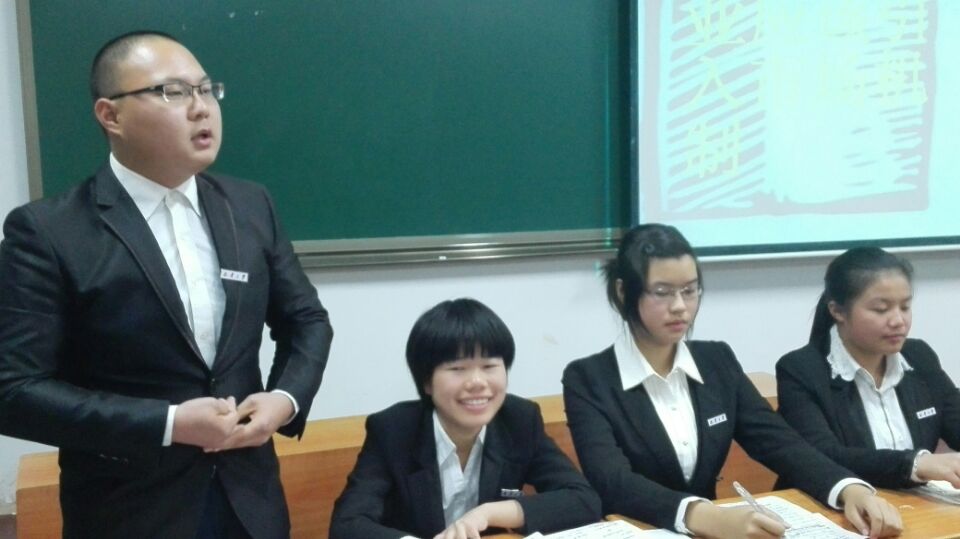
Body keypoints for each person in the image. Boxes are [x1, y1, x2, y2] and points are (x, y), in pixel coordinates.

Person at [0, 31, 333, 538]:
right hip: (130, 510)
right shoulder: (49, 231)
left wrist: (284, 398)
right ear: (110, 115)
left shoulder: (250, 205)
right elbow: (15, 391)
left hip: (250, 501)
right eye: (172, 92)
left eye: (206, 89)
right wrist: (170, 422)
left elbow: (306, 320)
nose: (201, 108)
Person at [562, 224, 902, 539]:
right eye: (662, 292)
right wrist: (702, 515)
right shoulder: (588, 379)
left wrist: (848, 488)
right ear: (624, 291)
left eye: (690, 290)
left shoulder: (717, 361)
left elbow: (779, 442)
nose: (680, 306)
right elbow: (613, 481)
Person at [330, 298, 601, 539]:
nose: (477, 382)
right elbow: (347, 524)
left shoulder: (519, 420)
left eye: (489, 366)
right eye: (458, 368)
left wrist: (488, 513)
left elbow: (583, 499)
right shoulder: (393, 430)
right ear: (426, 381)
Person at [776, 247, 960, 490]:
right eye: (881, 309)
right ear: (837, 311)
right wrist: (915, 464)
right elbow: (824, 456)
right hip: (832, 503)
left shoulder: (919, 357)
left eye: (905, 307)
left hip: (914, 504)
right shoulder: (801, 370)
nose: (898, 321)